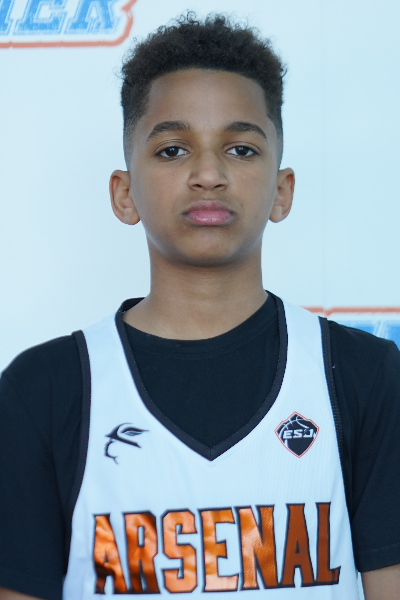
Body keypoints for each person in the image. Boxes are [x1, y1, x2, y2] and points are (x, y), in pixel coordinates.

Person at [0, 13, 399, 600]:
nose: (208, 174)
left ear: (282, 191)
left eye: (240, 148)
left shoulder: (366, 377)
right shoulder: (45, 390)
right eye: (172, 149)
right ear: (124, 194)